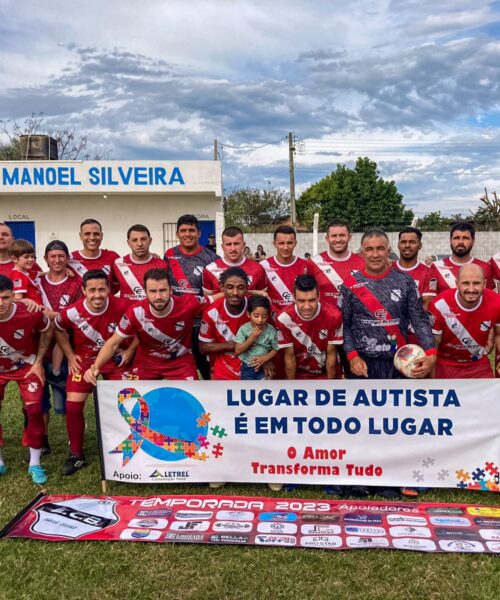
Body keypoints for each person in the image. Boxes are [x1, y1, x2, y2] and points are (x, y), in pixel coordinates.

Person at [55, 269, 134, 475]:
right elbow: (58, 328)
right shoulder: (72, 312)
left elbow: (141, 327)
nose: (97, 295)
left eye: (101, 289)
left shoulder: (124, 305)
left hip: (115, 360)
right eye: (92, 290)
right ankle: (76, 454)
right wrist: (70, 355)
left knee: (126, 403)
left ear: (109, 289)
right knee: (72, 406)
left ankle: (127, 449)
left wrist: (130, 350)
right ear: (83, 290)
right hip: (84, 361)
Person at [84, 268, 212, 384]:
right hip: (147, 363)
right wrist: (95, 368)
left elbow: (217, 298)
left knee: (189, 401)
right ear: (145, 292)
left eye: (163, 290)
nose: (158, 296)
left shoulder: (188, 304)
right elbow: (113, 343)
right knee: (135, 398)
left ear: (171, 290)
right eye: (153, 291)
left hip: (180, 362)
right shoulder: (135, 311)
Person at [341, 229, 436, 381]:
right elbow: (344, 326)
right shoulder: (349, 285)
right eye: (369, 249)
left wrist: (431, 353)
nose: (375, 254)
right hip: (363, 363)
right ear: (361, 253)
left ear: (388, 251)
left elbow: (419, 320)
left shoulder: (405, 282)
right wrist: (352, 356)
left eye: (380, 248)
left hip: (399, 362)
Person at [0, 275, 53, 483]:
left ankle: (35, 463)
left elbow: (48, 329)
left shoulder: (28, 312)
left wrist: (39, 362)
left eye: (5, 298)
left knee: (34, 411)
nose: (1, 303)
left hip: (27, 367)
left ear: (13, 295)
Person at [37, 240, 83, 455]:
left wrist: (53, 315)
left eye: (61, 256)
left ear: (67, 258)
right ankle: (42, 439)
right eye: (52, 256)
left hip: (66, 349)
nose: (57, 260)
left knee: (65, 399)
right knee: (38, 400)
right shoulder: (36, 281)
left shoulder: (76, 285)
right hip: (37, 347)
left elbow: (77, 315)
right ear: (46, 259)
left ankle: (70, 440)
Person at [164, 215, 219, 380]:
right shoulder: (169, 255)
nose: (187, 234)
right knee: (179, 370)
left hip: (202, 323)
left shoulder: (212, 259)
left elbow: (218, 292)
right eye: (183, 231)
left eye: (191, 230)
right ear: (177, 234)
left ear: (199, 233)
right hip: (177, 323)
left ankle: (213, 404)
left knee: (207, 370)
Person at [429, 264, 500, 378]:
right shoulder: (440, 304)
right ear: (457, 284)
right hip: (446, 364)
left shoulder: (497, 302)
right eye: (466, 283)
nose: (471, 289)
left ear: (485, 284)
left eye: (476, 283)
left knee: (491, 395)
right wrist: (432, 382)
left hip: (478, 365)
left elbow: (499, 335)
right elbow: (433, 345)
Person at [276, 275, 343, 380]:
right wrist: (292, 388)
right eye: (301, 301)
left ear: (319, 296)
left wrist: (331, 388)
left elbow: (331, 357)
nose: (307, 306)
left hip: (326, 375)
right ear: (294, 297)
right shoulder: (284, 318)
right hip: (298, 375)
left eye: (311, 300)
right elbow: (290, 356)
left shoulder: (333, 316)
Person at [199, 267, 251, 380]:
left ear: (247, 288)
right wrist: (233, 345)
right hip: (225, 371)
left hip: (254, 367)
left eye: (240, 287)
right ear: (222, 287)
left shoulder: (256, 307)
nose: (235, 293)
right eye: (230, 287)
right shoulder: (212, 312)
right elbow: (203, 347)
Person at [260, 225, 311, 314]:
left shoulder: (306, 266)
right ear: (274, 243)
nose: (286, 247)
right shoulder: (263, 266)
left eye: (289, 243)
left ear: (295, 243)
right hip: (271, 323)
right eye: (281, 243)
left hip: (299, 323)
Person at [431, 221, 493, 294]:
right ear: (450, 240)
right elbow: (431, 300)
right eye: (456, 238)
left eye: (465, 238)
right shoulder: (435, 267)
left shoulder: (485, 268)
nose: (460, 242)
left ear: (473, 241)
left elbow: (489, 299)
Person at [202, 226, 267, 295]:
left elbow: (262, 299)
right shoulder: (209, 269)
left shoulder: (258, 269)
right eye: (228, 244)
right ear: (223, 247)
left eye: (236, 244)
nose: (233, 248)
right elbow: (208, 302)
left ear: (243, 245)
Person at [113, 224, 167, 301]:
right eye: (134, 240)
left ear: (150, 241)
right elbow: (112, 289)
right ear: (129, 243)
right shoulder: (118, 264)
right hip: (126, 312)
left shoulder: (162, 265)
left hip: (151, 312)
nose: (140, 244)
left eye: (143, 239)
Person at [235, 295, 279, 380]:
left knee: (264, 389)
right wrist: (251, 338)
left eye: (264, 316)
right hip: (247, 367)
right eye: (256, 316)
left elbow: (276, 348)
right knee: (248, 390)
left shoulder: (271, 330)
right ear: (248, 314)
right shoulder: (244, 329)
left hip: (264, 367)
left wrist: (265, 358)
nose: (260, 320)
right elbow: (237, 350)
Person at [392, 227, 436, 311]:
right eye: (403, 242)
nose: (407, 245)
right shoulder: (388, 269)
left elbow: (426, 305)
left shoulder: (428, 273)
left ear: (420, 245)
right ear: (398, 245)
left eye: (412, 242)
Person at [69, 219, 119, 290]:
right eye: (87, 234)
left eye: (96, 234)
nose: (92, 238)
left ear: (101, 235)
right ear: (80, 236)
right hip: (78, 301)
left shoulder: (112, 257)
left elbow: (121, 284)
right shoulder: (70, 259)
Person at [8, 239, 43, 304]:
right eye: (26, 257)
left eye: (32, 256)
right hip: (32, 310)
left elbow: (41, 274)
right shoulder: (17, 276)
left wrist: (64, 270)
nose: (31, 259)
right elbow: (18, 298)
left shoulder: (26, 272)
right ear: (14, 259)